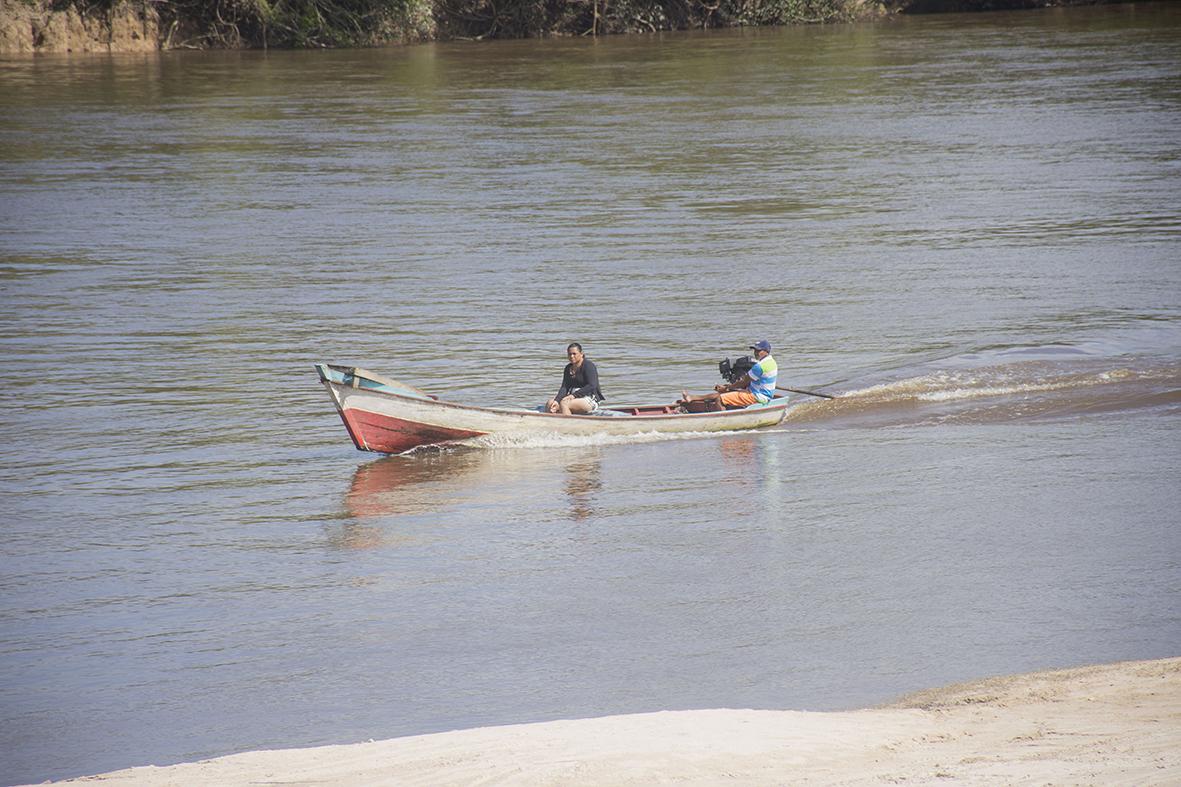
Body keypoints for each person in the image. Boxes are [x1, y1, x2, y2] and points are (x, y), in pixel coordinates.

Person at [681, 340, 778, 411]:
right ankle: (692, 398)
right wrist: (727, 388)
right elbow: (747, 381)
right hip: (758, 392)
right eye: (755, 350)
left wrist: (727, 388)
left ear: (766, 351)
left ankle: (722, 420)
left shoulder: (760, 366)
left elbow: (744, 381)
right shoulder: (771, 362)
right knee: (723, 393)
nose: (756, 353)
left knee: (720, 398)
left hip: (758, 396)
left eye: (758, 350)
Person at [547, 342, 605, 415]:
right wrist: (557, 400)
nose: (571, 356)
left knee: (564, 404)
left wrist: (573, 395)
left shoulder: (588, 366)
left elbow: (592, 385)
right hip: (573, 397)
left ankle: (568, 424)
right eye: (569, 354)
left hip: (589, 398)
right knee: (550, 403)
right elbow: (564, 387)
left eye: (574, 354)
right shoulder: (568, 368)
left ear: (581, 354)